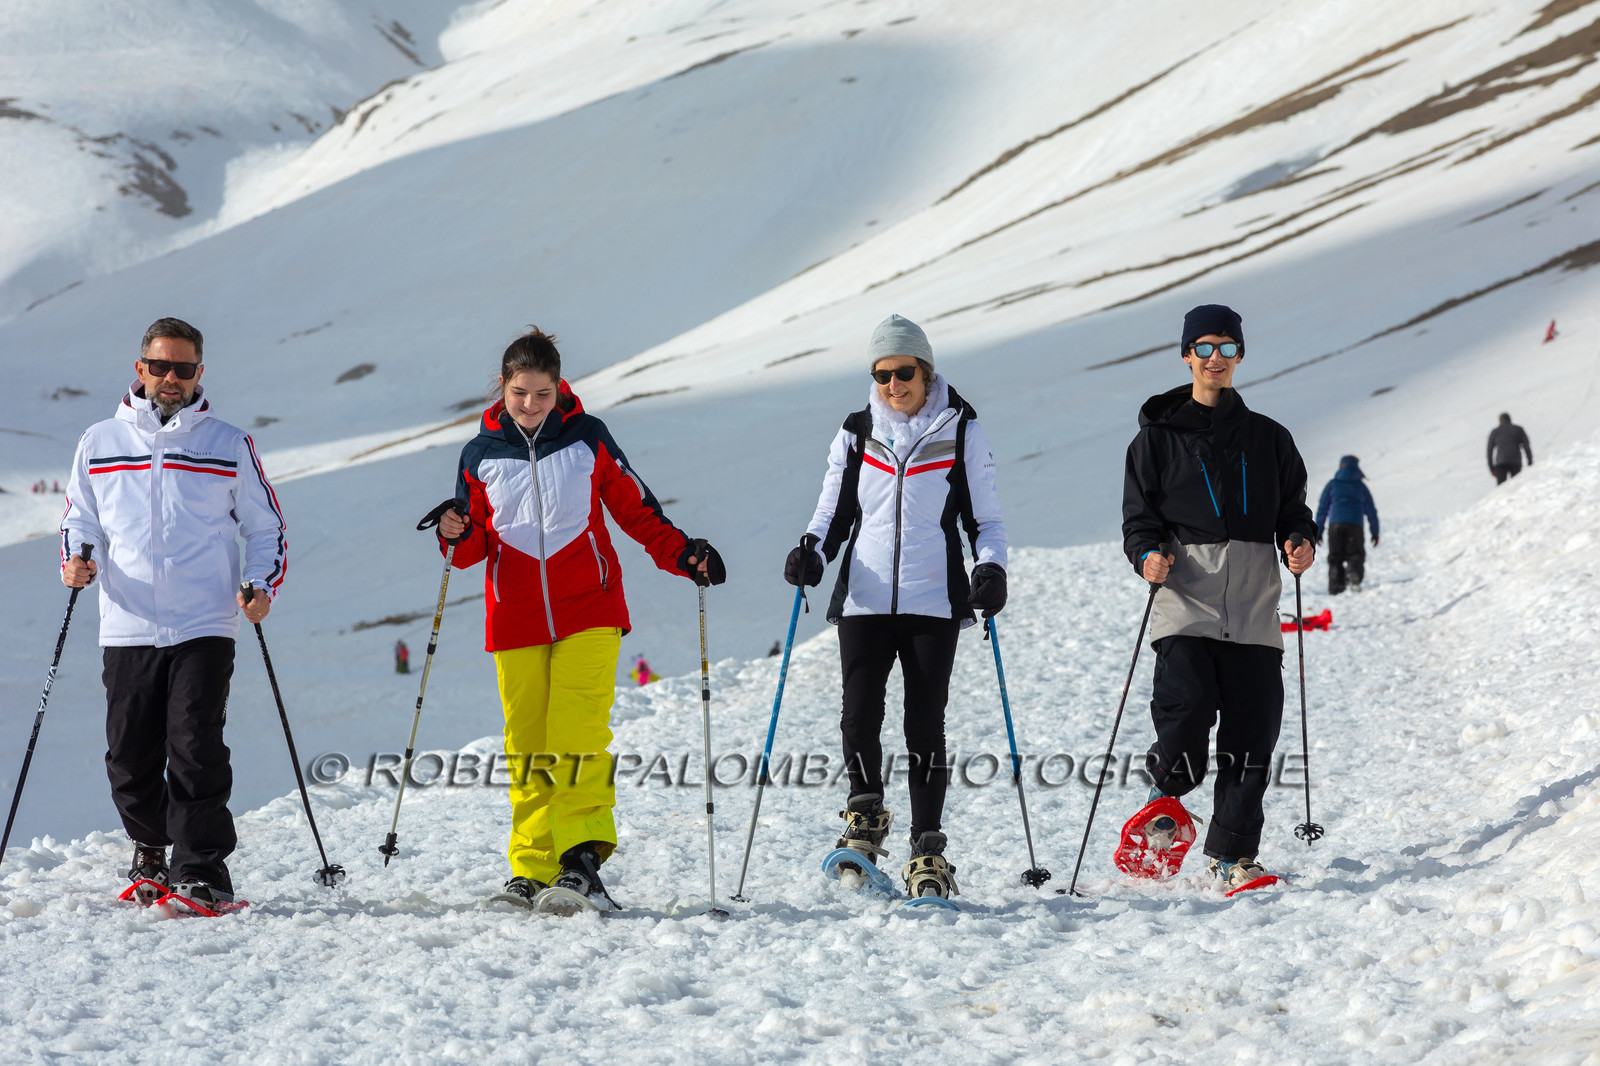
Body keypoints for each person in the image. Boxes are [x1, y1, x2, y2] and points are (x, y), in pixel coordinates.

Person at [436, 327, 724, 913]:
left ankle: (581, 860)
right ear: (503, 386)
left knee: (576, 734)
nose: (531, 405)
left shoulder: (588, 439)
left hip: (590, 609)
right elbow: (469, 549)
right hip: (513, 617)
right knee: (527, 745)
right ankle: (531, 868)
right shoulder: (480, 455)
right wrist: (455, 531)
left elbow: (636, 509)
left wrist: (682, 554)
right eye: (520, 393)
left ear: (559, 388)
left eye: (542, 393)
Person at [59, 317, 286, 910]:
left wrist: (259, 582)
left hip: (204, 619)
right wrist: (74, 558)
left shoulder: (227, 442)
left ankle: (202, 870)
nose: (171, 378)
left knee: (194, 745)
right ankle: (151, 850)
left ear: (199, 374)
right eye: (160, 366)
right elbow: (79, 519)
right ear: (140, 368)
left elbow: (265, 528)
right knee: (129, 756)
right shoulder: (100, 441)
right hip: (127, 621)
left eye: (184, 369)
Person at [785, 314, 1008, 902]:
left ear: (925, 370)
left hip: (933, 598)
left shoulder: (961, 431)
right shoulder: (857, 431)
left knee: (923, 722)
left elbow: (984, 519)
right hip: (864, 596)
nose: (892, 385)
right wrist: (811, 552)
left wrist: (991, 567)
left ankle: (928, 850)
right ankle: (865, 817)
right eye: (881, 374)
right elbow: (831, 514)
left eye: (903, 372)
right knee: (858, 713)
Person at [1122, 304, 1316, 892]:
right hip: (1186, 601)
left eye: (1227, 349)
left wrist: (1300, 538)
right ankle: (1165, 797)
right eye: (1204, 348)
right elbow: (1139, 520)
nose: (1215, 359)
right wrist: (1146, 555)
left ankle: (1232, 854)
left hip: (1255, 605)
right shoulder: (1155, 440)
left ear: (1239, 358)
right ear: (1186, 356)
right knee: (1186, 719)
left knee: (1253, 735)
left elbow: (1294, 509)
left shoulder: (1270, 438)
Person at [1314, 455, 1379, 594]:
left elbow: (1322, 509)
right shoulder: (1361, 486)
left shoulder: (1332, 484)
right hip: (1355, 525)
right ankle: (1354, 576)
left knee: (1335, 557)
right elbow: (1371, 510)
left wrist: (1317, 531)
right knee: (1356, 554)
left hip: (1335, 525)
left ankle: (1336, 588)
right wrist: (1375, 531)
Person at [1487, 413, 1533, 484]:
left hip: (1501, 463)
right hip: (1515, 462)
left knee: (1502, 489)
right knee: (1516, 486)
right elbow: (1526, 446)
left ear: (1500, 421)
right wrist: (1530, 461)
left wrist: (1492, 469)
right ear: (1510, 419)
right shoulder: (1518, 429)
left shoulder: (1495, 432)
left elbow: (1489, 451)